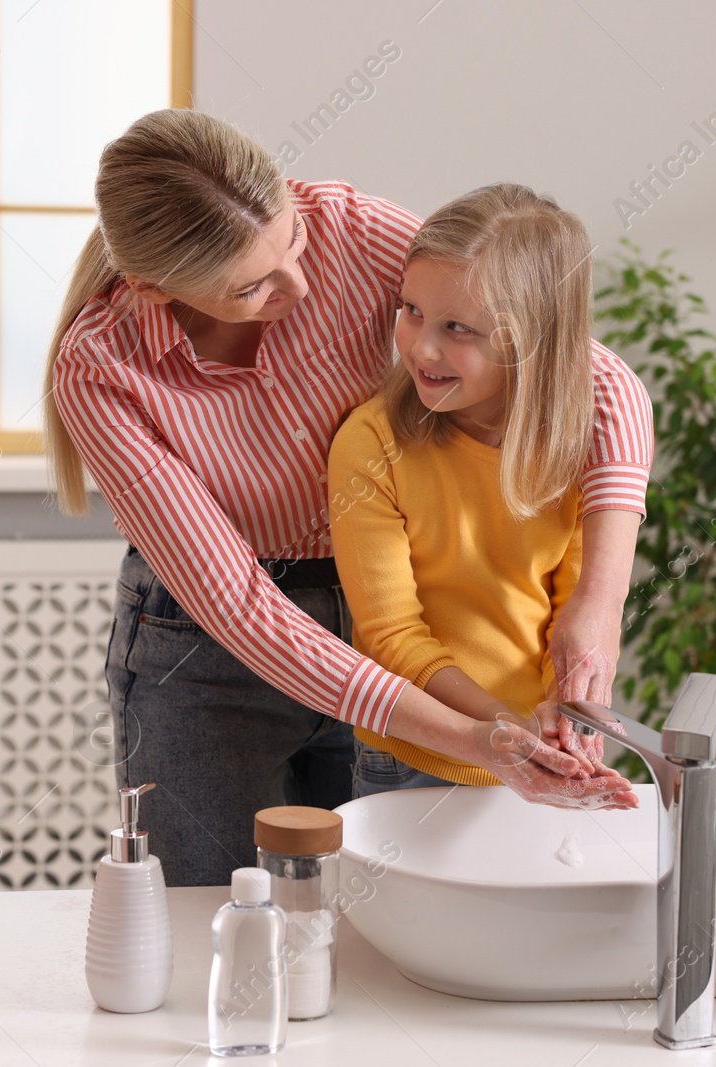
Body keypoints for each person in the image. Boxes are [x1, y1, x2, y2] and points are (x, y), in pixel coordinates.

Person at [44, 110, 649, 887]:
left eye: (291, 241)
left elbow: (596, 379)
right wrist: (481, 739)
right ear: (155, 290)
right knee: (214, 907)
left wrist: (597, 602)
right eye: (252, 286)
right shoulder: (101, 371)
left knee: (359, 929)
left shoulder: (350, 230)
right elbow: (243, 610)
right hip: (208, 655)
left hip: (376, 614)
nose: (298, 284)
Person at [328, 184, 647, 802]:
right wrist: (506, 732)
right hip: (413, 760)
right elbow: (391, 639)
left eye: (457, 328)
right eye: (410, 310)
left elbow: (576, 610)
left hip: (535, 748)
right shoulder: (371, 444)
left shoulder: (580, 447)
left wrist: (562, 720)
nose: (422, 347)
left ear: (530, 340)